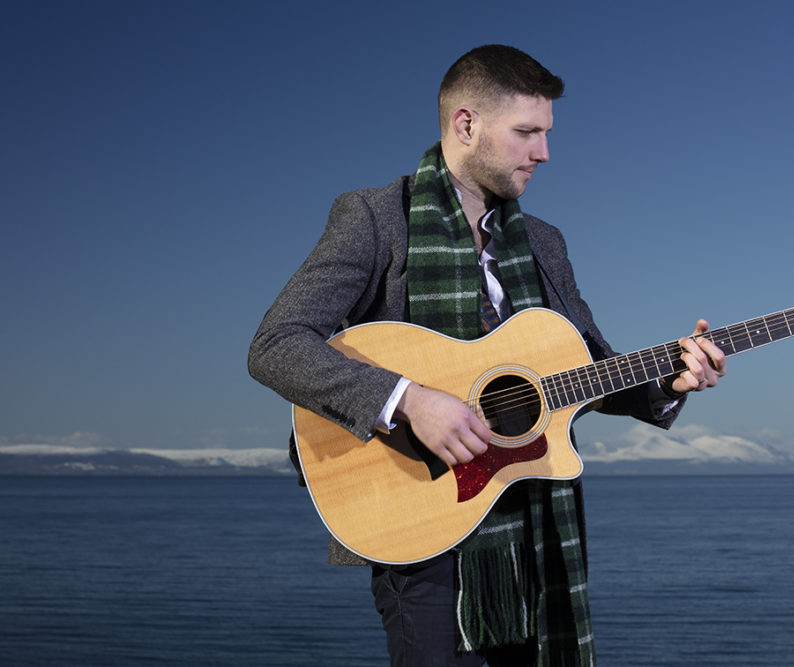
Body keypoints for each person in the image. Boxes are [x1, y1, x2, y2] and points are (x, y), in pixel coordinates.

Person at [248, 44, 726, 667]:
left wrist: (671, 381)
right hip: (421, 517)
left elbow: (587, 372)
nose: (544, 153)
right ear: (466, 124)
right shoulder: (374, 218)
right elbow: (276, 344)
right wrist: (411, 400)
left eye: (547, 133)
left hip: (533, 522)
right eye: (527, 132)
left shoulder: (544, 243)